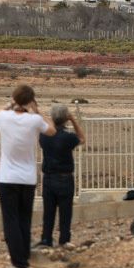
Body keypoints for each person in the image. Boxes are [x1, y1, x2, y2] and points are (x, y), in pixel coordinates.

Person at [0, 85, 51, 268]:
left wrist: (10, 104)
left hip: (7, 177)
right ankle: (24, 257)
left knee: (11, 221)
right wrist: (37, 110)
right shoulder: (34, 120)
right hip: (27, 178)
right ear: (30, 100)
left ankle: (18, 263)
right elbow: (51, 130)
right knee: (24, 219)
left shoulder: (4, 118)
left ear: (15, 98)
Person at [37, 104, 83, 249]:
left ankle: (46, 239)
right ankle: (64, 239)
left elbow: (50, 128)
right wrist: (73, 120)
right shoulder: (68, 138)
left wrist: (51, 120)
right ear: (65, 119)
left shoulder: (44, 137)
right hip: (65, 178)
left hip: (48, 178)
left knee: (48, 212)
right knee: (65, 211)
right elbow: (82, 138)